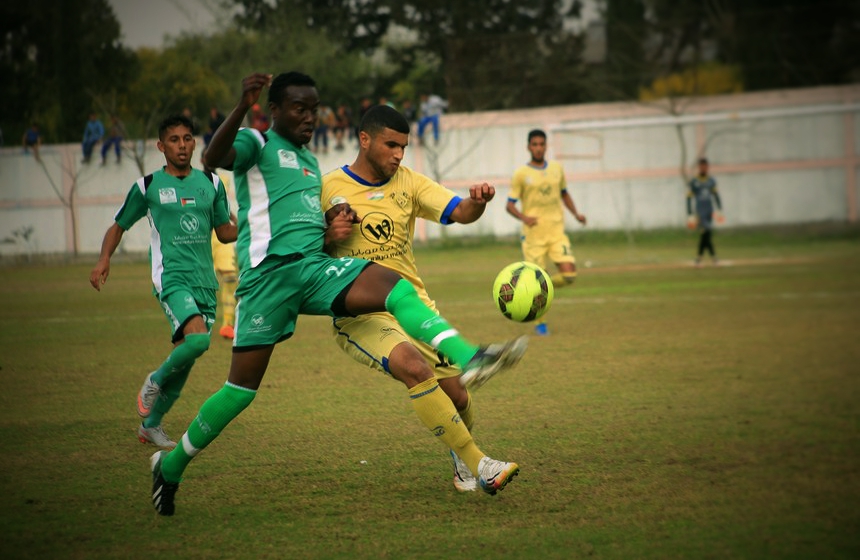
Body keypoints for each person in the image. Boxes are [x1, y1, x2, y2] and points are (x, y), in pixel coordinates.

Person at [148, 72, 526, 516]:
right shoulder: (258, 142)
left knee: (390, 284)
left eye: (314, 109)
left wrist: (330, 232)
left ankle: (470, 366)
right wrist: (240, 106)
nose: (309, 118)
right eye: (299, 109)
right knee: (239, 392)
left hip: (311, 271)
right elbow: (214, 156)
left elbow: (313, 230)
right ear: (274, 110)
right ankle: (169, 467)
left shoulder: (309, 162)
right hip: (267, 281)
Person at [322, 105, 521, 493]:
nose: (399, 154)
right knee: (413, 367)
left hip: (414, 308)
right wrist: (328, 237)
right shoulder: (327, 187)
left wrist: (477, 201)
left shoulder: (410, 183)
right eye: (391, 145)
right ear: (364, 140)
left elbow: (460, 212)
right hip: (361, 313)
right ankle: (480, 463)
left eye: (404, 147)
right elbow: (304, 249)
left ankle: (460, 457)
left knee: (458, 395)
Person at [89, 114, 237, 449]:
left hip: (205, 282)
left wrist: (253, 227)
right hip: (171, 278)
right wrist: (103, 259)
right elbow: (118, 226)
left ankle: (150, 426)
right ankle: (153, 380)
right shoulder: (147, 186)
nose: (182, 145)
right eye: (174, 140)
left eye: (187, 138)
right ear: (161, 146)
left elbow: (225, 231)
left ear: (194, 143)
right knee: (198, 342)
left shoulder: (211, 184)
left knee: (185, 359)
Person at [506, 129, 586, 336]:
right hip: (533, 236)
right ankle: (540, 323)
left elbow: (564, 194)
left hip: (556, 232)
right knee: (538, 281)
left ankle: (543, 285)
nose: (539, 148)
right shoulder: (521, 174)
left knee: (569, 275)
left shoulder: (557, 169)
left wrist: (576, 214)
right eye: (535, 144)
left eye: (542, 144)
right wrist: (525, 218)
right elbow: (510, 205)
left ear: (546, 146)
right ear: (528, 147)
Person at [687, 157, 724, 266]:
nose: (703, 168)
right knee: (707, 232)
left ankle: (699, 258)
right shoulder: (694, 181)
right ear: (699, 167)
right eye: (701, 166)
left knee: (705, 234)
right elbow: (688, 198)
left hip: (709, 211)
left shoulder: (711, 181)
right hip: (700, 212)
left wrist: (719, 209)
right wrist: (690, 214)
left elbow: (716, 195)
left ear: (707, 167)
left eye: (705, 166)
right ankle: (713, 258)